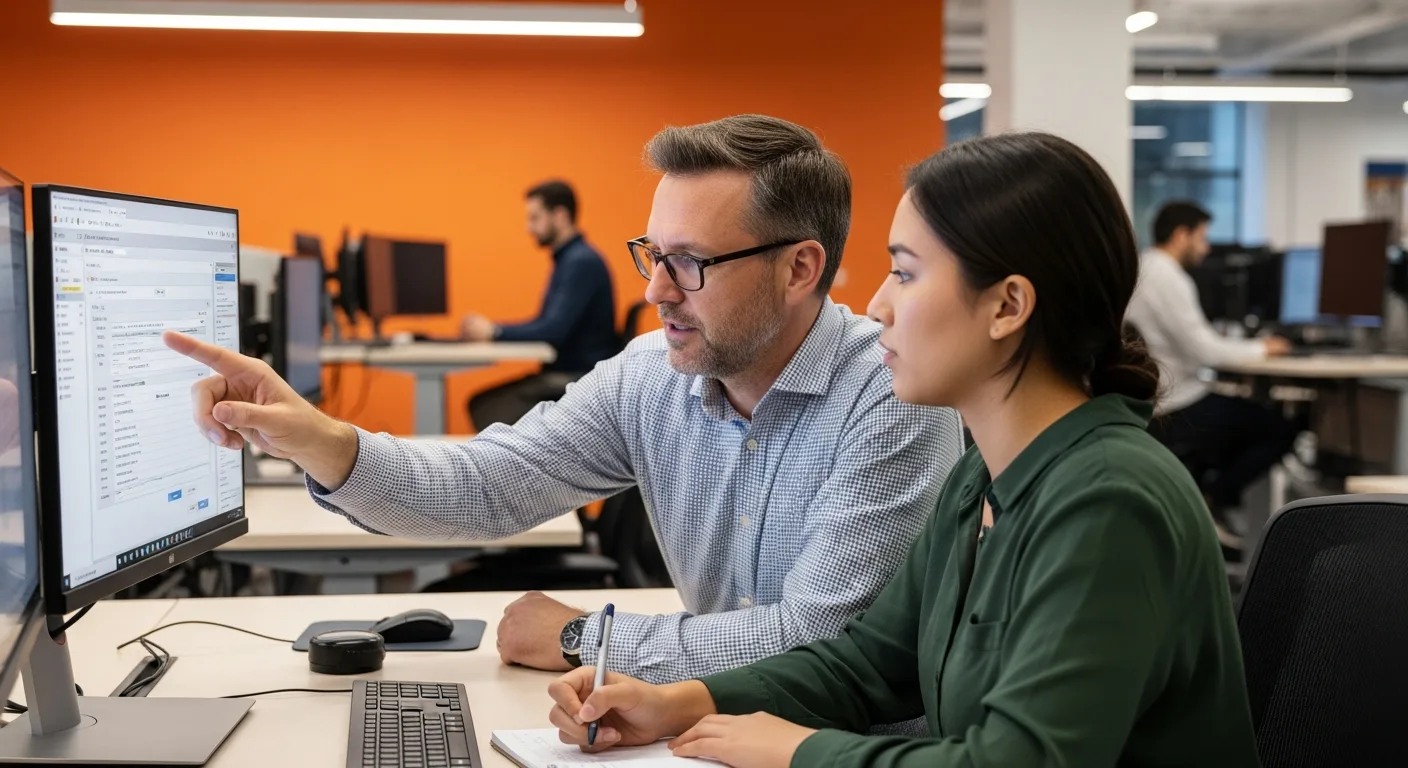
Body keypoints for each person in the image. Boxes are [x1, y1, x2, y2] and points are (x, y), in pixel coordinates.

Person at [164, 114, 964, 686]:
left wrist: (588, 638)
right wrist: (319, 440)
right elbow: (484, 489)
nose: (654, 290)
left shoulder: (892, 395)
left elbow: (822, 640)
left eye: (689, 263)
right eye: (652, 253)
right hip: (710, 726)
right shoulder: (653, 376)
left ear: (799, 270)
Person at [545, 133, 1260, 767]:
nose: (879, 304)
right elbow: (868, 665)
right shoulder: (986, 474)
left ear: (1008, 306)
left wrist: (802, 751)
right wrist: (687, 700)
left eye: (907, 273)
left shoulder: (1108, 499)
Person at [1126, 201, 1297, 553]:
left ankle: (1211, 492)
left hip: (1162, 399)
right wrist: (1263, 348)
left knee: (1248, 416)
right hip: (1178, 404)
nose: (1206, 248)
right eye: (1202, 238)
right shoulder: (1167, 277)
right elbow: (1205, 350)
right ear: (1181, 234)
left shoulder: (1146, 269)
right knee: (1281, 429)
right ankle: (1219, 495)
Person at [462, 180, 618, 431]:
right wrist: (495, 330)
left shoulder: (580, 262)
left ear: (560, 215)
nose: (528, 228)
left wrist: (494, 332)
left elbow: (553, 331)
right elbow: (547, 324)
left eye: (534, 218)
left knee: (485, 407)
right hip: (571, 373)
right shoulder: (571, 259)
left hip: (576, 378)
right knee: (484, 404)